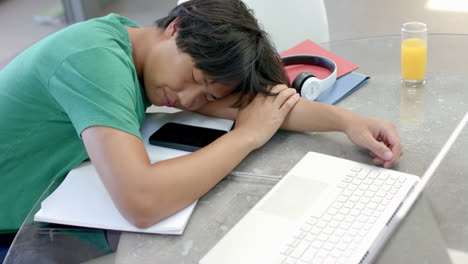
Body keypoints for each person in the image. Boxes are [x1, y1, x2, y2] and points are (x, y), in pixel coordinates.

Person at [0, 0, 402, 258]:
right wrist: (245, 136)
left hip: (59, 198)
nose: (192, 99)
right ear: (176, 28)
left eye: (209, 91)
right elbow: (142, 202)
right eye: (195, 77)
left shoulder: (139, 51)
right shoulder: (94, 61)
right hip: (15, 232)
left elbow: (263, 106)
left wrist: (350, 122)